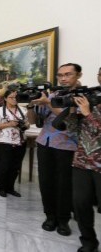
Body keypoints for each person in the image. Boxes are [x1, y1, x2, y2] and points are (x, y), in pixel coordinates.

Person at [27, 63, 81, 236]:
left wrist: (48, 102)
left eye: (68, 74)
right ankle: (50, 217)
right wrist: (30, 105)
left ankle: (63, 220)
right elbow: (35, 121)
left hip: (67, 146)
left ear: (78, 75)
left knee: (64, 185)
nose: (63, 78)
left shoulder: (82, 96)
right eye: (60, 75)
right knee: (46, 183)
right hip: (45, 142)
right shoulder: (53, 94)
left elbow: (72, 121)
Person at [66, 91, 101, 252]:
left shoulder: (88, 108)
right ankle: (88, 241)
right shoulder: (89, 102)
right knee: (81, 204)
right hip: (81, 162)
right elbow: (72, 130)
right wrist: (73, 110)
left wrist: (87, 113)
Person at [0, 89, 29, 198]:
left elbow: (28, 124)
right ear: (5, 98)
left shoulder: (23, 110)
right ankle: (2, 188)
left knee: (15, 167)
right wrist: (9, 124)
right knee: (4, 167)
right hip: (4, 142)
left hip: (20, 142)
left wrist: (25, 125)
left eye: (16, 97)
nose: (14, 99)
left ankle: (10, 188)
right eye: (11, 97)